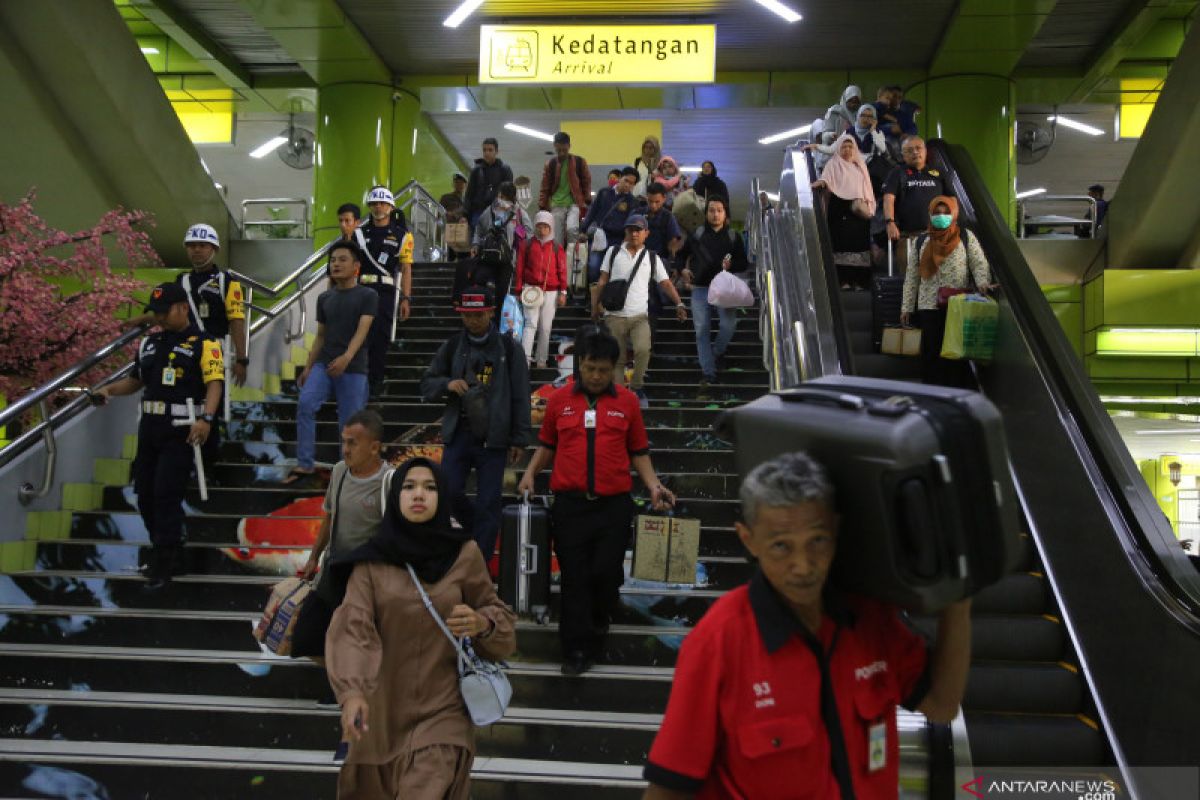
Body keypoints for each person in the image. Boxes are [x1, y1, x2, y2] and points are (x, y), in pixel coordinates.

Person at [641, 451, 973, 799]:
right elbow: (668, 788)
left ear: (836, 529)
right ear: (747, 539)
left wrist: (958, 606)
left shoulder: (869, 619)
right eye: (782, 546)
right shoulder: (718, 642)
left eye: (817, 541)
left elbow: (941, 704)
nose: (803, 566)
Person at [326, 456, 516, 799]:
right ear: (395, 496)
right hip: (380, 717)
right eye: (409, 487)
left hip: (443, 713)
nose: (419, 495)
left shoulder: (464, 554)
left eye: (429, 488)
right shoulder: (372, 562)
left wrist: (482, 622)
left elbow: (495, 611)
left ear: (442, 497)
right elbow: (354, 630)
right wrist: (352, 692)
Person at [517, 326, 677, 676]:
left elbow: (638, 451)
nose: (595, 375)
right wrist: (530, 473)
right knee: (575, 578)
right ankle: (575, 650)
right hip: (570, 506)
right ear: (579, 365)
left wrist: (652, 486)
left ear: (614, 369)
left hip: (614, 507)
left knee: (605, 573)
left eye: (603, 370)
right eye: (589, 368)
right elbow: (547, 445)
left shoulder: (627, 402)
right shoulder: (559, 402)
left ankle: (601, 613)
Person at [94, 282, 224, 590]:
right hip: (150, 426)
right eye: (156, 314)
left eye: (165, 312)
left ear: (182, 308)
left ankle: (166, 558)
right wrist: (109, 390)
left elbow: (215, 383)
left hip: (181, 428)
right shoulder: (149, 344)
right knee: (145, 493)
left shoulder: (204, 343)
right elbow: (136, 380)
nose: (160, 318)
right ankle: (164, 545)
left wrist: (206, 418)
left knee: (166, 493)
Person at [419, 286, 531, 562]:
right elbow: (427, 383)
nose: (473, 320)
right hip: (458, 433)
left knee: (489, 503)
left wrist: (519, 438)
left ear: (491, 312)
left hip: (494, 438)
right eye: (467, 315)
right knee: (448, 492)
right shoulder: (453, 346)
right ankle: (472, 532)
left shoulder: (509, 348)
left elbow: (520, 395)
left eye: (478, 315)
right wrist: (447, 384)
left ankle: (479, 563)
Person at [290, 410, 392, 704]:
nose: (346, 449)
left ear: (374, 447)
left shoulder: (390, 481)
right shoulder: (339, 471)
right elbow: (328, 518)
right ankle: (351, 687)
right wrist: (313, 558)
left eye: (353, 443)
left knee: (359, 641)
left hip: (366, 578)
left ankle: (356, 692)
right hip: (332, 572)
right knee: (306, 638)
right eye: (343, 442)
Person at [286, 242, 377, 485]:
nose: (335, 264)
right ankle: (305, 463)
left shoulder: (368, 295)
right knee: (305, 403)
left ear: (356, 266)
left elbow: (362, 330)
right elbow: (321, 336)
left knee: (349, 421)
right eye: (333, 260)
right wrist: (307, 367)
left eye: (342, 259)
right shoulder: (325, 298)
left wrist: (346, 358)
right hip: (324, 364)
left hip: (354, 366)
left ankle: (347, 470)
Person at [592, 215, 688, 408]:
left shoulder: (652, 257)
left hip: (640, 316)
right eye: (630, 230)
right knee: (617, 359)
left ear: (646, 233)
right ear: (625, 232)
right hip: (614, 316)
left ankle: (636, 386)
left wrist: (679, 303)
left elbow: (666, 283)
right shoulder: (613, 252)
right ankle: (618, 398)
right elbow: (602, 280)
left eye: (638, 230)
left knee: (643, 350)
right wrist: (595, 306)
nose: (634, 233)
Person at [899, 196, 992, 388]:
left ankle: (957, 392)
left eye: (945, 213)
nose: (941, 217)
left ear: (954, 214)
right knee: (932, 353)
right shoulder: (921, 241)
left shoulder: (965, 237)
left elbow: (978, 263)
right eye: (937, 213)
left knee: (957, 352)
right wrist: (906, 307)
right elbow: (912, 277)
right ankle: (933, 392)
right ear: (930, 214)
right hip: (928, 305)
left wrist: (983, 283)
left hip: (958, 305)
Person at [679, 196, 749, 393]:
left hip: (725, 290)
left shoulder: (734, 236)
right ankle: (708, 372)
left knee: (728, 325)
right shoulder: (697, 234)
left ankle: (716, 351)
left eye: (719, 210)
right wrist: (682, 270)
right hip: (700, 289)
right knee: (701, 330)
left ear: (725, 213)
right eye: (711, 210)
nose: (715, 214)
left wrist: (731, 265)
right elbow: (681, 256)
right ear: (706, 213)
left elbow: (744, 263)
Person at [357, 186, 414, 399]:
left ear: (391, 207)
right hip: (361, 289)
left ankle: (375, 385)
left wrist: (406, 298)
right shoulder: (359, 234)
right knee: (360, 338)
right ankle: (358, 382)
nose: (378, 207)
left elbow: (406, 268)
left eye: (382, 203)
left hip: (386, 291)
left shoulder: (402, 236)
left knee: (380, 338)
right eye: (374, 203)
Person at [882, 136, 956, 273]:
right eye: (910, 150)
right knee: (910, 278)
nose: (915, 152)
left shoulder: (938, 173)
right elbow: (888, 198)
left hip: (937, 235)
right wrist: (889, 222)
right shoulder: (897, 173)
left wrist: (953, 220)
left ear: (925, 151)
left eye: (918, 148)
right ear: (903, 155)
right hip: (909, 236)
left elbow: (952, 199)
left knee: (939, 276)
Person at [812, 134, 877, 287]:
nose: (847, 150)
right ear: (838, 148)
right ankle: (843, 281)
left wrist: (868, 206)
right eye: (843, 147)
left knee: (859, 246)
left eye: (850, 147)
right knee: (841, 245)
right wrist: (819, 183)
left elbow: (867, 187)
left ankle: (860, 281)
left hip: (858, 213)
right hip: (839, 210)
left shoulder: (860, 166)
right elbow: (825, 179)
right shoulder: (833, 164)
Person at [515, 211, 568, 368]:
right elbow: (519, 268)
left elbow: (562, 270)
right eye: (539, 226)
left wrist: (563, 292)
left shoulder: (557, 248)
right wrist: (518, 289)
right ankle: (524, 359)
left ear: (551, 227)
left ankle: (541, 359)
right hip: (530, 289)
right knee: (530, 324)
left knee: (545, 327)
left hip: (551, 291)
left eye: (545, 226)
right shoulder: (527, 245)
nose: (542, 229)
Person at [580, 166, 643, 282]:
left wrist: (626, 241)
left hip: (618, 241)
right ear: (620, 178)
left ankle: (607, 298)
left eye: (632, 183)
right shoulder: (604, 192)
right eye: (626, 181)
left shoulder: (633, 202)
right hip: (599, 237)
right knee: (593, 268)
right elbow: (592, 212)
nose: (628, 185)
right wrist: (583, 230)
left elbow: (630, 224)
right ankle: (593, 298)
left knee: (614, 272)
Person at [471, 181, 532, 294]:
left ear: (511, 197)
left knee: (503, 292)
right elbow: (479, 228)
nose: (501, 199)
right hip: (489, 255)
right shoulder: (490, 210)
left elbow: (529, 233)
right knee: (480, 282)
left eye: (504, 197)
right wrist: (475, 244)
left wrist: (519, 233)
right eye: (500, 196)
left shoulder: (519, 213)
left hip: (508, 258)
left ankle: (500, 310)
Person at [538, 132, 591, 249]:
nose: (561, 153)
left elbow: (586, 181)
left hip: (574, 203)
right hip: (556, 204)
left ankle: (572, 260)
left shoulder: (579, 162)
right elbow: (545, 186)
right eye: (559, 150)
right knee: (557, 238)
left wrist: (587, 199)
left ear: (569, 146)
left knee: (572, 230)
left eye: (564, 150)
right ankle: (558, 262)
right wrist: (542, 205)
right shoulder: (550, 164)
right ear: (554, 146)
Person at [464, 138, 514, 228]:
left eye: (490, 150)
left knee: (496, 237)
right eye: (484, 150)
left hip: (498, 214)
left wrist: (504, 212)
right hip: (478, 213)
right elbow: (469, 194)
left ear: (496, 151)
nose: (487, 153)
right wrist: (464, 215)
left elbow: (509, 195)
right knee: (477, 240)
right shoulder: (476, 171)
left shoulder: (505, 170)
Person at [874, 84, 921, 150]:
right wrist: (889, 130)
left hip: (902, 147)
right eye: (894, 96)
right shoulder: (877, 111)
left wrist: (907, 134)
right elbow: (870, 129)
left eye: (899, 98)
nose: (897, 100)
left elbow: (914, 128)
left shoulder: (904, 115)